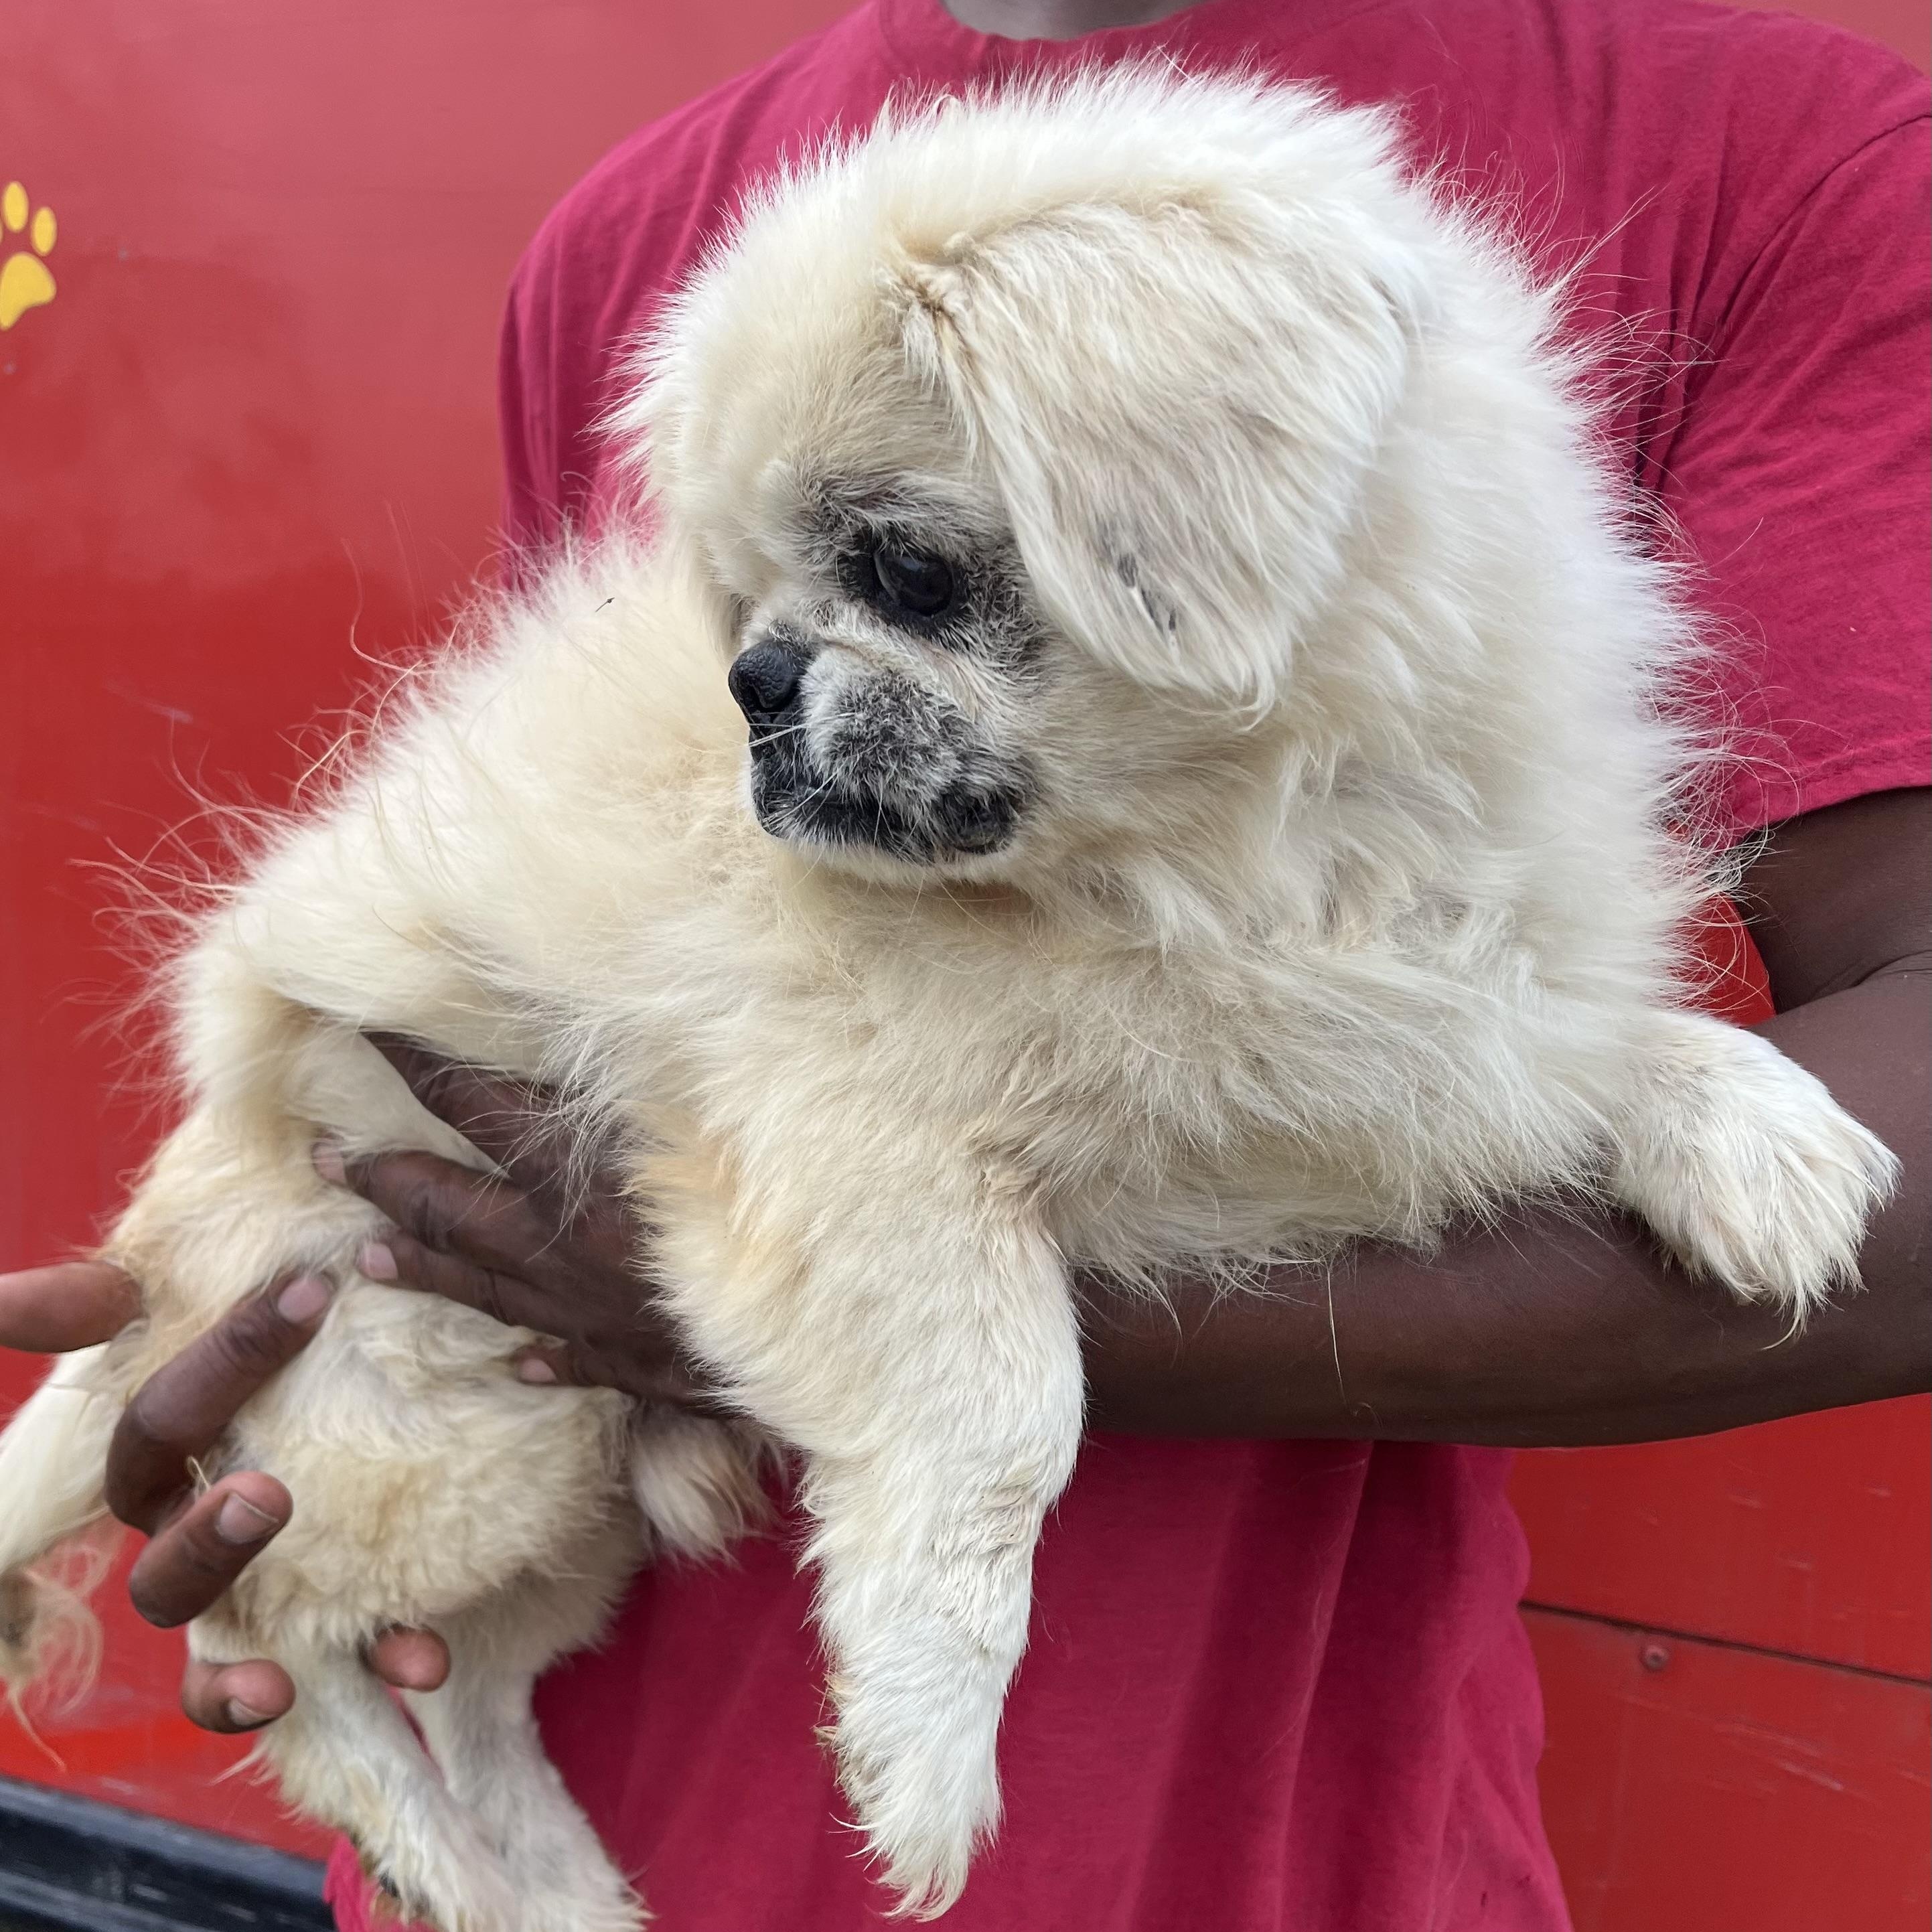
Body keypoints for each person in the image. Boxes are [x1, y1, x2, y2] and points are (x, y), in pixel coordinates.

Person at [2, 0, 1927, 1925]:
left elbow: (1578, 1067)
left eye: (915, 574)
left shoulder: (1767, 151)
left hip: (1259, 1838)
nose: (781, 674)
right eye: (755, 610)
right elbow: (489, 965)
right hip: (603, 1743)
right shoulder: (642, 233)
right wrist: (244, 1411)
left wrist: (864, 1312)